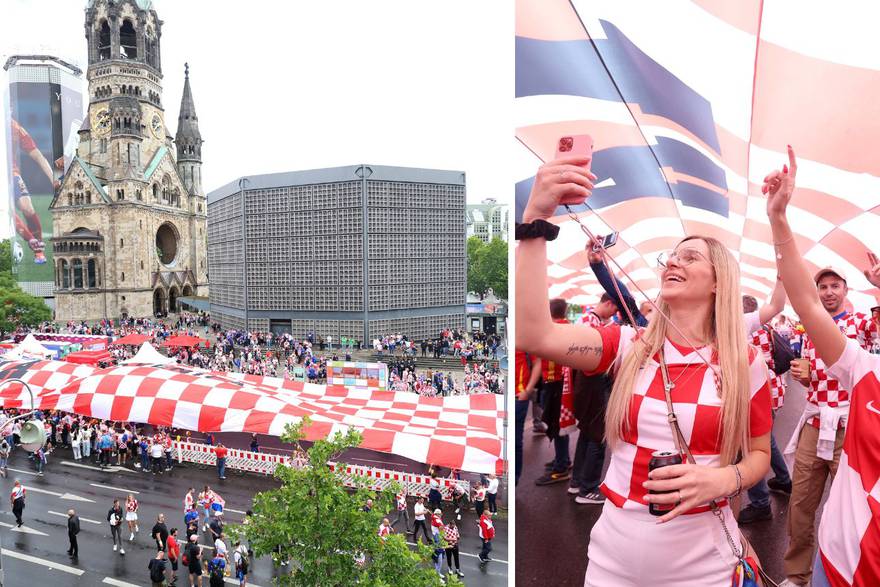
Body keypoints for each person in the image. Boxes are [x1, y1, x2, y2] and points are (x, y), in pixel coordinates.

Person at [516, 153, 772, 586]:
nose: (673, 262)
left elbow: (761, 455)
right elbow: (533, 334)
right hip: (612, 555)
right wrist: (535, 219)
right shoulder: (627, 346)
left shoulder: (745, 363)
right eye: (671, 258)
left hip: (703, 561)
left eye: (689, 258)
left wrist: (725, 479)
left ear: (718, 283)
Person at [764, 146, 880, 586]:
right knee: (802, 501)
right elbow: (802, 335)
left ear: (847, 291)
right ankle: (797, 572)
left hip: (855, 426)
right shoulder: (807, 329)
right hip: (815, 421)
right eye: (823, 286)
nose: (828, 292)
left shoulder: (859, 325)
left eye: (835, 286)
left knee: (848, 501)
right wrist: (801, 372)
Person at [515, 350, 542, 485]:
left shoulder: (522, 335)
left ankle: (514, 480)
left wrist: (528, 390)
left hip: (519, 397)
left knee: (516, 442)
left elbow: (537, 362)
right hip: (514, 396)